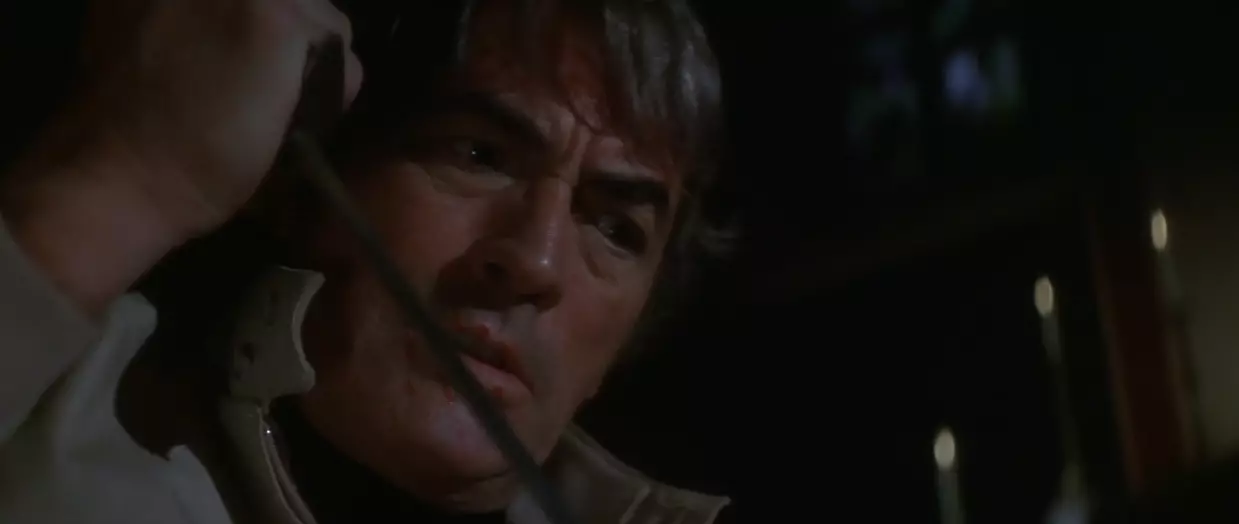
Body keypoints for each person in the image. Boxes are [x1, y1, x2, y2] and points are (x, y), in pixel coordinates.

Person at [0, 0, 732, 523]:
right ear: (313, 180)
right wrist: (125, 178)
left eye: (615, 229)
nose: (535, 262)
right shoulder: (56, 408)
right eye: (479, 155)